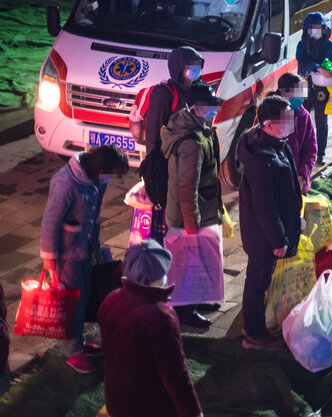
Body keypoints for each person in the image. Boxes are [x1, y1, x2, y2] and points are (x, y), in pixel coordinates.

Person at [40, 145, 128, 373]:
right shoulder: (65, 181)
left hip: (85, 250)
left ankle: (78, 343)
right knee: (72, 303)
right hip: (66, 254)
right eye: (110, 173)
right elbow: (51, 221)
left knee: (85, 297)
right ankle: (73, 352)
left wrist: (95, 246)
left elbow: (94, 214)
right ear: (98, 168)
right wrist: (49, 259)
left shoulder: (98, 180)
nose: (110, 179)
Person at [99, 240, 203, 417]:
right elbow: (175, 375)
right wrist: (193, 413)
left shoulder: (111, 300)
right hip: (150, 407)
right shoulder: (160, 316)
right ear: (158, 276)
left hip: (117, 402)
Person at [237, 95, 303, 349]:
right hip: (263, 235)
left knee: (258, 280)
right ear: (267, 124)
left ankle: (251, 325)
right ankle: (254, 334)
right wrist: (278, 240)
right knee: (257, 283)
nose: (290, 122)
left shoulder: (275, 143)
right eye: (284, 119)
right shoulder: (261, 159)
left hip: (267, 232)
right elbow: (265, 207)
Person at [161, 81, 224, 328]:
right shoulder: (192, 142)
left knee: (200, 260)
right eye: (210, 107)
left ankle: (200, 300)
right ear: (197, 108)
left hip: (199, 209)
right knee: (185, 265)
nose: (214, 110)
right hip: (187, 214)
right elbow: (187, 187)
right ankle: (184, 311)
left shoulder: (198, 129)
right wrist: (191, 226)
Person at [141, 46, 204, 245]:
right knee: (172, 223)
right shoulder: (163, 94)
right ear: (178, 69)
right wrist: (155, 177)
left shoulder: (193, 91)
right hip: (168, 170)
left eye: (197, 67)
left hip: (187, 168)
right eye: (190, 68)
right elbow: (153, 137)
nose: (195, 72)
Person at [296, 11, 332, 166]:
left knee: (321, 122)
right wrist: (318, 68)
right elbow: (302, 63)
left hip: (323, 90)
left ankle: (321, 153)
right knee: (301, 120)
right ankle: (300, 152)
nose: (316, 31)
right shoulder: (302, 45)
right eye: (313, 28)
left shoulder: (330, 46)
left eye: (319, 27)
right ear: (307, 29)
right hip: (305, 87)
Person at [270, 73, 318, 193]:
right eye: (297, 94)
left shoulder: (304, 116)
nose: (301, 99)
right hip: (272, 183)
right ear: (284, 93)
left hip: (297, 183)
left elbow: (311, 149)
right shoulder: (269, 114)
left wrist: (302, 175)